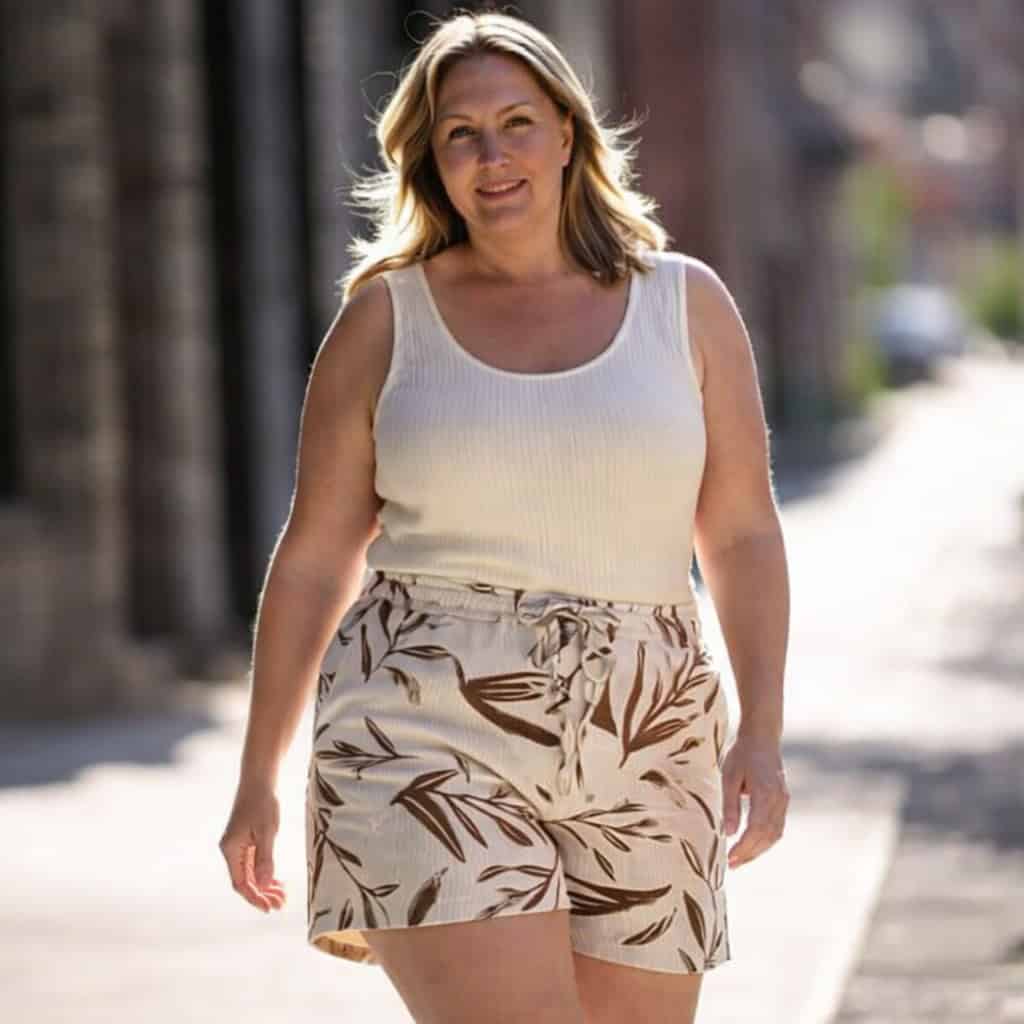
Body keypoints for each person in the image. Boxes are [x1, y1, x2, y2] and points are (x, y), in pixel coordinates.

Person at [219, 10, 790, 1024]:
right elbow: (312, 558)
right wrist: (259, 774)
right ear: (428, 161)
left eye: (516, 122)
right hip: (424, 719)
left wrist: (762, 734)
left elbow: (741, 530)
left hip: (649, 718)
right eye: (458, 134)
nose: (491, 156)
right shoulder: (385, 319)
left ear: (568, 132)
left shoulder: (685, 306)